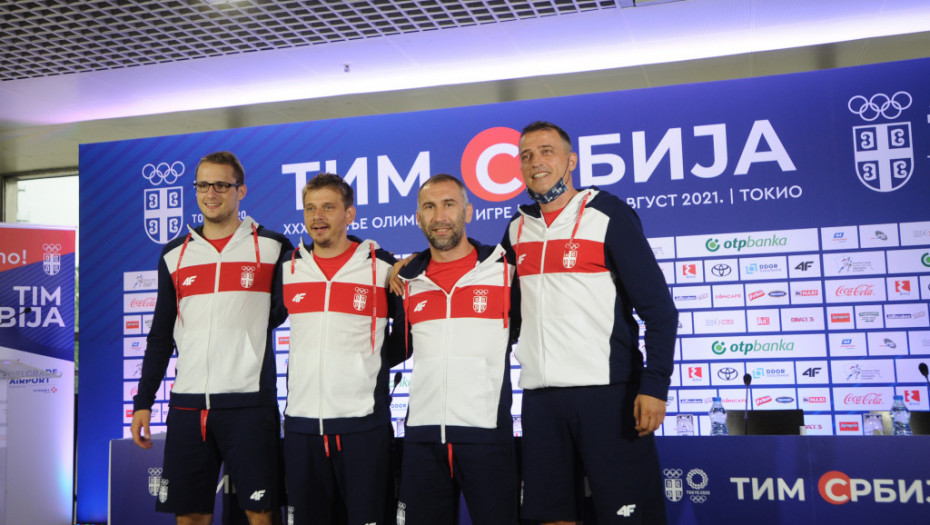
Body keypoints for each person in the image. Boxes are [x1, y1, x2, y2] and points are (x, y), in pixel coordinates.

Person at [502, 122, 678, 525]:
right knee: (553, 516)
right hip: (542, 398)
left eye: (546, 151)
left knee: (626, 515)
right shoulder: (516, 228)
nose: (536, 161)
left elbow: (659, 310)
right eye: (526, 155)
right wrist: (412, 264)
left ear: (571, 161)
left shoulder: (608, 213)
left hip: (609, 395)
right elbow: (489, 289)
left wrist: (655, 386)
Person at [131, 151, 293, 525]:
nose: (211, 193)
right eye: (203, 185)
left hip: (249, 403)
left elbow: (280, 312)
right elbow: (160, 336)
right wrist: (143, 402)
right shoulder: (174, 254)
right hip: (188, 405)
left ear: (241, 191)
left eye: (221, 185)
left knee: (262, 514)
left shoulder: (273, 247)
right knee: (190, 515)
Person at [277, 173, 405, 525]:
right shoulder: (288, 267)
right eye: (310, 208)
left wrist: (369, 363)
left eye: (328, 207)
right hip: (302, 427)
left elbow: (408, 336)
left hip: (363, 427)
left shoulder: (383, 266)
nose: (317, 216)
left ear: (349, 214)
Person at [395, 174, 520, 525]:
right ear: (418, 217)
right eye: (429, 207)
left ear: (468, 211)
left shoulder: (506, 271)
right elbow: (394, 348)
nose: (439, 216)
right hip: (422, 437)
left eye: (449, 204)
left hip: (486, 433)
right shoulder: (407, 281)